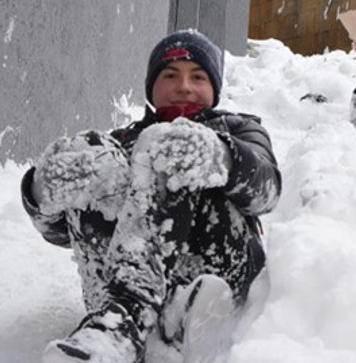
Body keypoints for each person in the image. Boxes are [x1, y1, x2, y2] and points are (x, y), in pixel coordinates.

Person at [22, 29, 282, 362]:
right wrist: (41, 193)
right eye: (170, 75)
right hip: (111, 290)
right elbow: (66, 235)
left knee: (170, 144)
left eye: (198, 76)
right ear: (151, 86)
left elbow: (266, 193)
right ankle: (131, 321)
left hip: (215, 270)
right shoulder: (120, 143)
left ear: (214, 88)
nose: (184, 86)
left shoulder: (239, 129)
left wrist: (222, 157)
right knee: (91, 150)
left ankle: (141, 320)